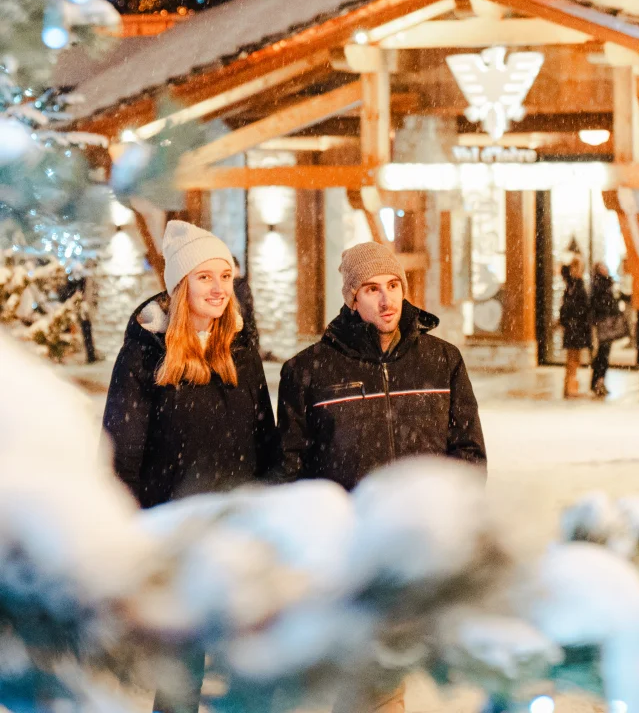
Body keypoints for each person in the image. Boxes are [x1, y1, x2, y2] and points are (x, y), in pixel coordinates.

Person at [103, 220, 279, 713]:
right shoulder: (144, 353)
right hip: (173, 530)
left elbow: (265, 437)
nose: (219, 288)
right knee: (182, 669)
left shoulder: (241, 349)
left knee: (246, 663)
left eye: (225, 276)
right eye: (205, 277)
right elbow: (123, 450)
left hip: (238, 528)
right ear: (180, 285)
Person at [277, 240, 486, 491]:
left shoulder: (442, 359)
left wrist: (450, 509)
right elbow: (291, 468)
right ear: (353, 300)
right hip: (352, 526)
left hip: (428, 522)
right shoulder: (307, 371)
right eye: (372, 289)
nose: (387, 301)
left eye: (393, 285)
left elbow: (469, 452)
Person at [559, 255, 591, 399]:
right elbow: (577, 307)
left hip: (575, 327)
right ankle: (571, 388)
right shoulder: (575, 285)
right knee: (573, 359)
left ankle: (569, 386)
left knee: (573, 359)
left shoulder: (572, 285)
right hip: (575, 328)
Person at [590, 261, 623, 398]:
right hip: (603, 322)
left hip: (609, 321)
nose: (604, 269)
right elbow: (596, 303)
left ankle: (600, 381)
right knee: (602, 353)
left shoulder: (609, 284)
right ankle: (597, 381)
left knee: (605, 353)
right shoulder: (598, 285)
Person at [232, 255, 260, 350]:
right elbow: (249, 313)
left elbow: (248, 312)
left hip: (239, 331)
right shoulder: (242, 285)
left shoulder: (241, 286)